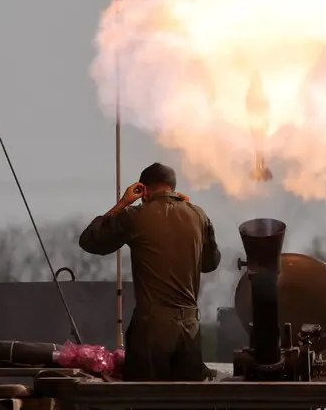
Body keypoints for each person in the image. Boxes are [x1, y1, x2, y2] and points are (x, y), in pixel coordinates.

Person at [78, 162, 221, 389]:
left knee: (146, 399)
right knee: (188, 403)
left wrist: (123, 203)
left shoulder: (136, 215)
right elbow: (210, 263)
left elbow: (90, 241)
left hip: (153, 327)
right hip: (190, 327)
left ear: (143, 189)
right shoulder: (198, 215)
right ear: (174, 188)